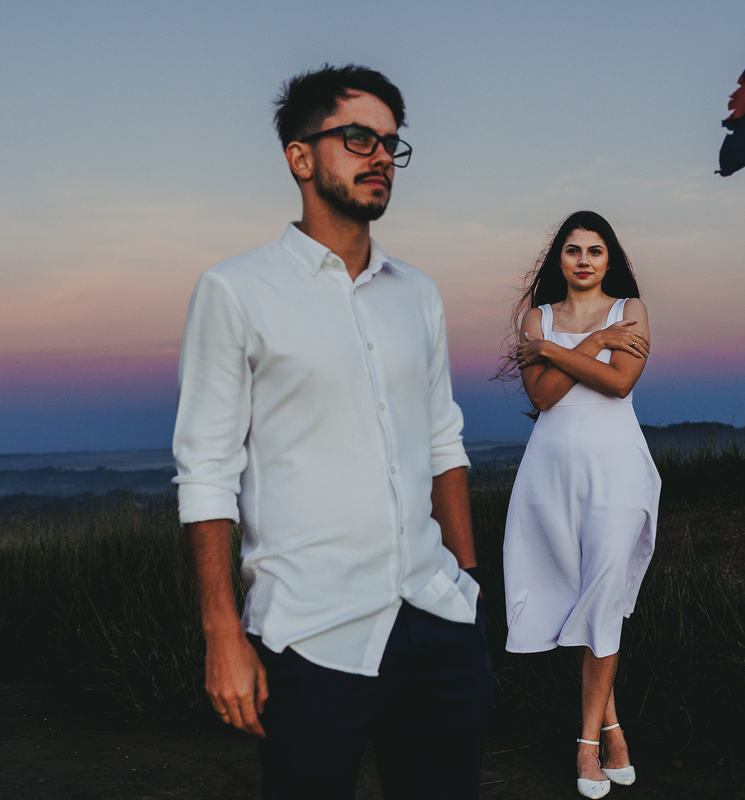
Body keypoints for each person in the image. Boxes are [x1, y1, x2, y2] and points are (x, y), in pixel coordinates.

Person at [172, 64, 493, 800]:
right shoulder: (236, 291)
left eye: (390, 143)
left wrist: (468, 586)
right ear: (301, 156)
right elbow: (207, 472)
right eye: (358, 138)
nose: (381, 157)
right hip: (312, 634)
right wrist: (223, 633)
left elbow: (445, 441)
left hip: (438, 618)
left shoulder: (419, 293)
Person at [502, 211, 661, 798]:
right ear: (559, 260)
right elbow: (543, 397)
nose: (585, 260)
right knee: (578, 592)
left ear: (610, 259)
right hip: (552, 472)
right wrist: (592, 343)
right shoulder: (536, 319)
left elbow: (619, 384)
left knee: (603, 591)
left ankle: (588, 743)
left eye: (596, 250)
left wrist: (554, 352)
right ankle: (615, 728)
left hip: (616, 468)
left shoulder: (633, 311)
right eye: (573, 250)